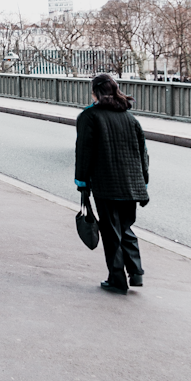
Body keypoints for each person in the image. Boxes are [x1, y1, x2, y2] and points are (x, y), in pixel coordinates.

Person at [75, 73, 149, 294]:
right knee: (125, 227)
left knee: (110, 231)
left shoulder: (89, 116)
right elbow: (143, 153)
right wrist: (143, 181)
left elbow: (84, 152)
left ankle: (117, 280)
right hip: (132, 184)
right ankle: (136, 272)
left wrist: (81, 181)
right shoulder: (130, 118)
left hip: (106, 184)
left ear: (95, 93)